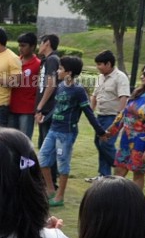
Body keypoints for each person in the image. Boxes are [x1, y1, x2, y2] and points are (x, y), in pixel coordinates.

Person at [38, 56, 106, 208]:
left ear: (69, 72)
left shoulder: (78, 90)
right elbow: (58, 107)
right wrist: (45, 117)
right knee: (42, 160)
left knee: (63, 164)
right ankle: (50, 190)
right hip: (53, 129)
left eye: (61, 68)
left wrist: (100, 131)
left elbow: (88, 111)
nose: (58, 71)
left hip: (66, 133)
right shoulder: (61, 85)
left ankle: (60, 196)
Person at [103, 64, 145, 191]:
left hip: (142, 142)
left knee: (138, 174)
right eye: (142, 73)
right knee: (118, 170)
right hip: (126, 139)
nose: (142, 76)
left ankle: (134, 201)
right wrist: (110, 131)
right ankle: (114, 198)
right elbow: (124, 114)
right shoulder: (138, 93)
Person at [88, 50, 130, 182]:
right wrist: (91, 111)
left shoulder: (120, 77)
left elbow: (123, 96)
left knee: (105, 143)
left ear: (108, 64)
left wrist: (119, 117)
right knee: (99, 142)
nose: (97, 67)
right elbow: (94, 95)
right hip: (100, 116)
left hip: (112, 117)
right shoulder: (100, 77)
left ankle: (120, 166)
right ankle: (104, 175)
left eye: (100, 64)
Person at [36, 34, 61, 182]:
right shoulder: (47, 60)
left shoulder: (52, 60)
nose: (39, 46)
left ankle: (50, 180)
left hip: (48, 109)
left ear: (47, 43)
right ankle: (48, 178)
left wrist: (40, 107)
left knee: (48, 145)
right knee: (45, 143)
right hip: (45, 108)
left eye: (41, 42)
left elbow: (51, 84)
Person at [10, 32, 42, 141]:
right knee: (10, 140)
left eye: (23, 45)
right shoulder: (15, 61)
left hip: (27, 109)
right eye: (19, 45)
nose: (20, 48)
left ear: (32, 46)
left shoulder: (38, 64)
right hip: (11, 106)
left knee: (24, 141)